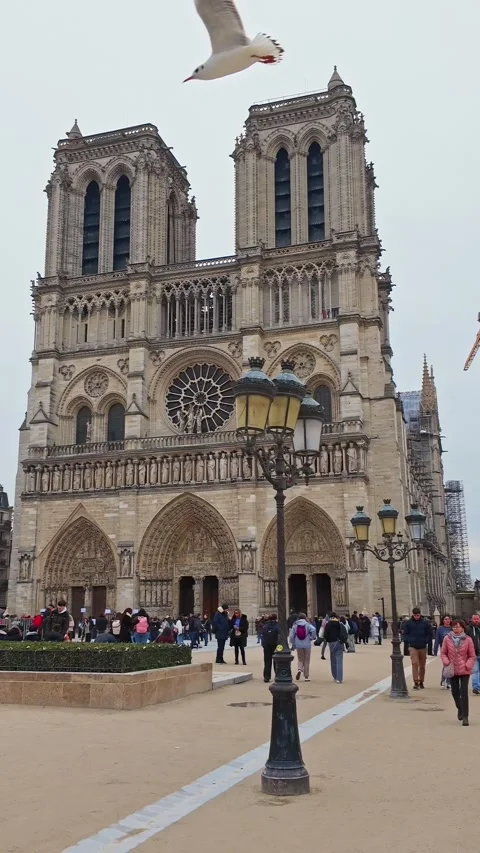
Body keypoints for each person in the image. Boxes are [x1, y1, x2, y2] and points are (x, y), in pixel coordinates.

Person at [441, 618, 476, 726]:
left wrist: (467, 665)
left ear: (463, 628)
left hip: (464, 669)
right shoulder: (447, 639)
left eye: (458, 626)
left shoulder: (468, 639)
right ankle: (460, 708)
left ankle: (465, 716)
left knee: (464, 692)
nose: (456, 628)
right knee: (455, 692)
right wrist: (447, 662)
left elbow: (472, 655)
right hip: (452, 668)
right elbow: (443, 653)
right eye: (454, 626)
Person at [403, 607, 432, 689]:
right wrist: (409, 640)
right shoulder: (408, 623)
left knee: (422, 666)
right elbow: (405, 634)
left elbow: (429, 634)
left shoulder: (425, 623)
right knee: (415, 663)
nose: (416, 617)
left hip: (422, 646)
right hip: (413, 646)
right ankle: (416, 681)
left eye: (418, 615)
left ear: (420, 614)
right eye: (415, 615)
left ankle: (421, 681)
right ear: (413, 614)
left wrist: (426, 641)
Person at [289, 613, 316, 682]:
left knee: (300, 659)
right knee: (307, 660)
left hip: (298, 644)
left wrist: (293, 642)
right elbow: (313, 629)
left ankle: (299, 669)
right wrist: (311, 637)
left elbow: (291, 636)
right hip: (307, 644)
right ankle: (306, 676)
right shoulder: (307, 624)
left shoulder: (295, 625)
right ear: (305, 618)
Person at [323, 612, 348, 683]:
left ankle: (335, 676)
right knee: (339, 661)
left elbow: (325, 635)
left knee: (333, 661)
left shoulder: (328, 624)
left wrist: (327, 640)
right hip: (339, 642)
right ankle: (339, 679)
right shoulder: (340, 624)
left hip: (331, 643)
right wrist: (342, 641)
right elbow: (345, 633)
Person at [434, 614, 453, 688]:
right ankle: (443, 680)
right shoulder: (440, 629)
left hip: (452, 649)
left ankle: (448, 681)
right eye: (446, 619)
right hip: (444, 648)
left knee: (451, 665)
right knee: (446, 664)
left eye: (448, 619)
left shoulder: (452, 628)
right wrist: (435, 650)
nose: (447, 621)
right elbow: (437, 640)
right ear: (443, 620)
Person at [261, 613, 280, 683]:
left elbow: (262, 635)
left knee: (267, 661)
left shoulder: (265, 626)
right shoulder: (277, 626)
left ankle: (266, 676)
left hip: (266, 645)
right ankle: (277, 675)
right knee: (276, 661)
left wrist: (263, 644)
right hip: (275, 645)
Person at [466, 613, 480, 695]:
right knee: (475, 671)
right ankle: (476, 687)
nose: (476, 620)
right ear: (471, 619)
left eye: (477, 618)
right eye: (474, 619)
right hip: (473, 654)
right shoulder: (468, 629)